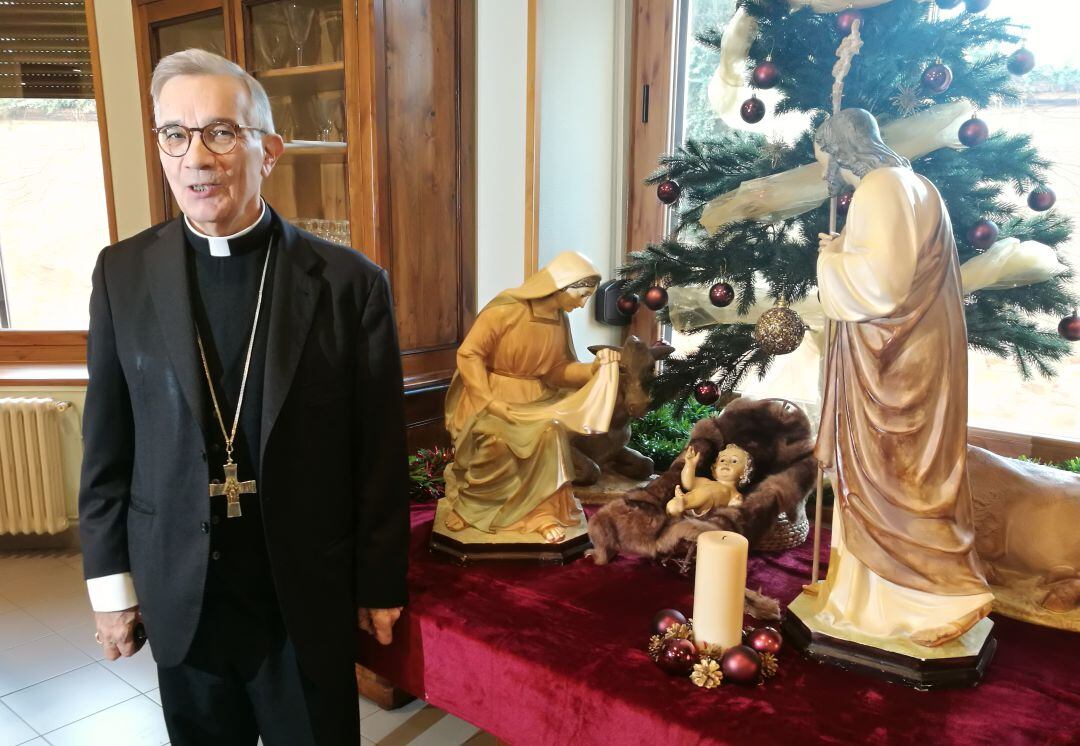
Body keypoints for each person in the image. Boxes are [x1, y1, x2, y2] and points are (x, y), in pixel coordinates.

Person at [78, 48, 409, 744]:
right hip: (183, 595)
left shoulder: (349, 285)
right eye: (176, 134)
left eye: (222, 132)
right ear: (163, 150)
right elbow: (107, 446)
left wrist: (379, 582)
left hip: (300, 598)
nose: (197, 157)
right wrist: (112, 592)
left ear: (269, 151)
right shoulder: (121, 275)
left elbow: (379, 453)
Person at [810, 108, 992, 647]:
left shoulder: (881, 187)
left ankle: (913, 604)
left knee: (892, 477)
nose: (830, 176)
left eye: (829, 162)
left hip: (894, 362)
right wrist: (845, 251)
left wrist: (830, 262)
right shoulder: (920, 186)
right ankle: (881, 596)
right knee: (913, 472)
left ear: (844, 152)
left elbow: (879, 289)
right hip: (920, 349)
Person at [442, 252, 620, 543]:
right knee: (497, 441)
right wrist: (489, 401)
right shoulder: (506, 309)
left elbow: (557, 370)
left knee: (551, 432)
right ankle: (473, 508)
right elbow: (470, 353)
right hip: (490, 394)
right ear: (563, 285)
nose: (583, 302)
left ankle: (541, 514)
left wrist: (595, 369)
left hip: (536, 398)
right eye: (582, 294)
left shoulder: (558, 321)